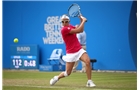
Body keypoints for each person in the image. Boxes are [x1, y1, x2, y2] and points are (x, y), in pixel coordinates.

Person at [50, 14, 96, 87]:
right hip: (71, 53)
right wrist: (83, 20)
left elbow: (81, 30)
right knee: (67, 73)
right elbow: (79, 30)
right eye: (63, 22)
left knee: (87, 61)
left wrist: (81, 20)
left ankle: (89, 81)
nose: (64, 23)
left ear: (69, 21)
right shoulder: (64, 29)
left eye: (66, 21)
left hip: (79, 50)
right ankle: (56, 78)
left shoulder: (70, 26)